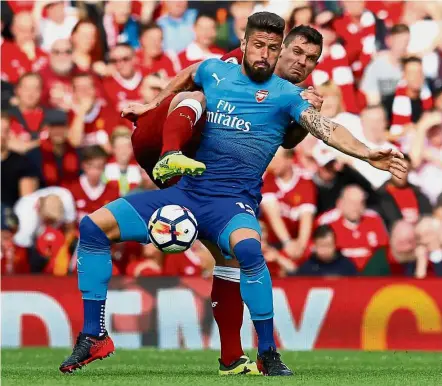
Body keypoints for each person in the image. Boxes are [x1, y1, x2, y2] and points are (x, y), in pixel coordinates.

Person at [60, 15, 406, 377]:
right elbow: (193, 70)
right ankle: (94, 333)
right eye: (259, 44)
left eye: (273, 48)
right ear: (243, 45)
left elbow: (327, 129)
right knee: (92, 227)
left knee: (247, 250)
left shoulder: (289, 95)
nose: (266, 53)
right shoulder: (216, 72)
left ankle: (267, 353)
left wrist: (367, 153)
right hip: (186, 192)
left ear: (278, 54)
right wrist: (153, 103)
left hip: (231, 205)